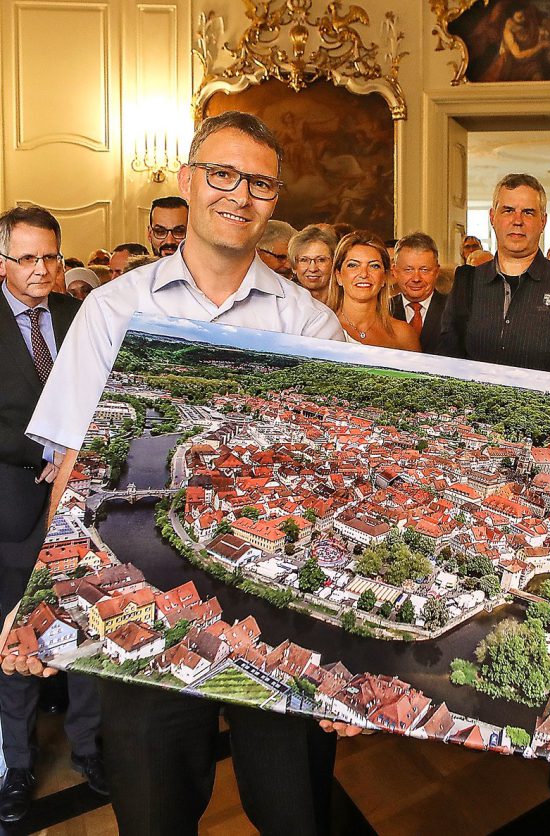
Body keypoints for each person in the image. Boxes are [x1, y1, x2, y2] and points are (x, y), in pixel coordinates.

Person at [6, 111, 346, 836]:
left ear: (274, 200)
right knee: (154, 814)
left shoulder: (311, 325)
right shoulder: (112, 308)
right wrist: (49, 600)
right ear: (188, 182)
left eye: (258, 182)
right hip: (145, 603)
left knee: (296, 814)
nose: (238, 194)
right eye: (222, 174)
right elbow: (71, 469)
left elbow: (332, 483)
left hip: (277, 610)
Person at [0, 207, 103, 825]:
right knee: (15, 632)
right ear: (1, 261)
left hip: (80, 501)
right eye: (28, 259)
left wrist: (75, 451)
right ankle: (15, 767)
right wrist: (48, 446)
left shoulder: (75, 316)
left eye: (52, 258)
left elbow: (104, 393)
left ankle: (91, 748)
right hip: (11, 503)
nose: (42, 271)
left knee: (84, 623)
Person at [437, 173, 550, 378]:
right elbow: (447, 363)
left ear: (543, 221)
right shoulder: (468, 283)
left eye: (528, 212)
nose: (517, 221)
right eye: (508, 210)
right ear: (492, 217)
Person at [334, 230, 420, 351]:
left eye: (374, 266)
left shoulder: (403, 335)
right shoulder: (321, 329)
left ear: (384, 277)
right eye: (353, 265)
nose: (364, 274)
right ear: (338, 276)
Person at [390, 232, 448, 353]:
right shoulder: (383, 311)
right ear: (394, 271)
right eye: (408, 270)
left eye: (424, 270)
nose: (416, 278)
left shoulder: (455, 310)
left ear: (436, 272)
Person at [289, 225, 338, 310]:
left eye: (321, 260)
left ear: (333, 263)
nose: (313, 269)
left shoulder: (347, 302)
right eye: (304, 260)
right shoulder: (286, 304)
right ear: (294, 266)